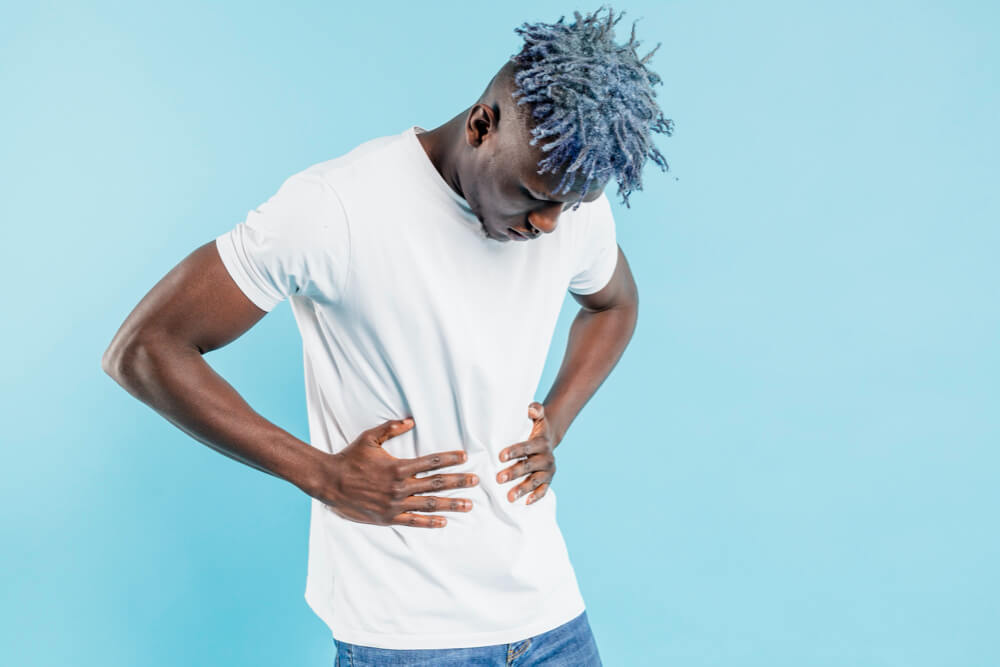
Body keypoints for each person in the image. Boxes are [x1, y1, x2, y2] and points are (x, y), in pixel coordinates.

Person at [102, 5, 673, 665]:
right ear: (483, 125)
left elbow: (613, 304)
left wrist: (557, 422)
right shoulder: (337, 207)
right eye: (531, 195)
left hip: (550, 616)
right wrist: (322, 474)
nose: (548, 224)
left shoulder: (569, 205)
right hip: (406, 635)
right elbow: (144, 348)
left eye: (567, 206)